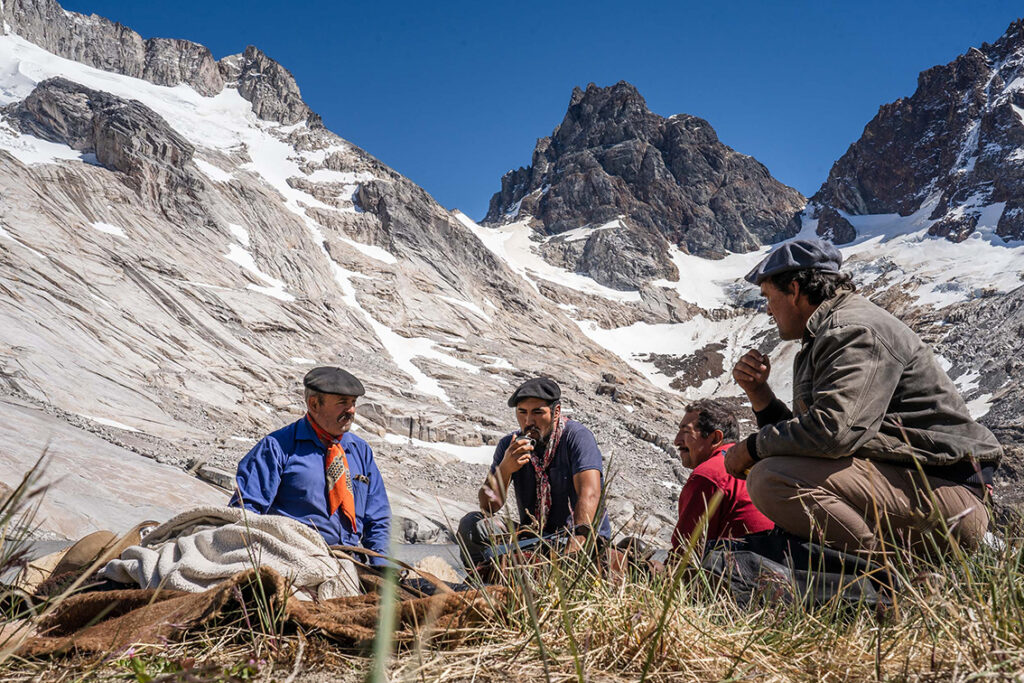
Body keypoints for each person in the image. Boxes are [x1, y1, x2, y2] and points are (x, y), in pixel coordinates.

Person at [724, 239, 1002, 556]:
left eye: (768, 297)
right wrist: (759, 394)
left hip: (944, 495)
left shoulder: (852, 330)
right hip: (921, 488)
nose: (767, 309)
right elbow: (811, 444)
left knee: (771, 478)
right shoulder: (830, 331)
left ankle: (890, 580)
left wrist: (752, 447)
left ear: (796, 289)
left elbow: (833, 434)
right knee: (777, 470)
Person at [230, 367, 391, 566]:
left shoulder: (360, 450)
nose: (351, 411)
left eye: (353, 403)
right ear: (314, 404)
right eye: (342, 402)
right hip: (295, 561)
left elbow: (378, 519)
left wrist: (382, 566)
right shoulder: (277, 447)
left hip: (351, 562)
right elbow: (246, 514)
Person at [456, 377, 611, 568]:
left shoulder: (577, 437)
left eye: (537, 413)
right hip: (534, 537)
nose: (529, 421)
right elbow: (488, 506)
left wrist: (578, 537)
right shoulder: (509, 445)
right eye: (522, 412)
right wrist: (505, 468)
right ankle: (483, 583)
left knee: (579, 542)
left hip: (576, 539)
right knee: (472, 526)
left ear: (556, 412)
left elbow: (590, 493)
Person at [670, 399, 773, 555]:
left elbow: (685, 554)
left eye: (686, 432)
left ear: (715, 438)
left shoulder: (710, 474)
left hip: (734, 571)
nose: (677, 441)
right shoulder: (757, 466)